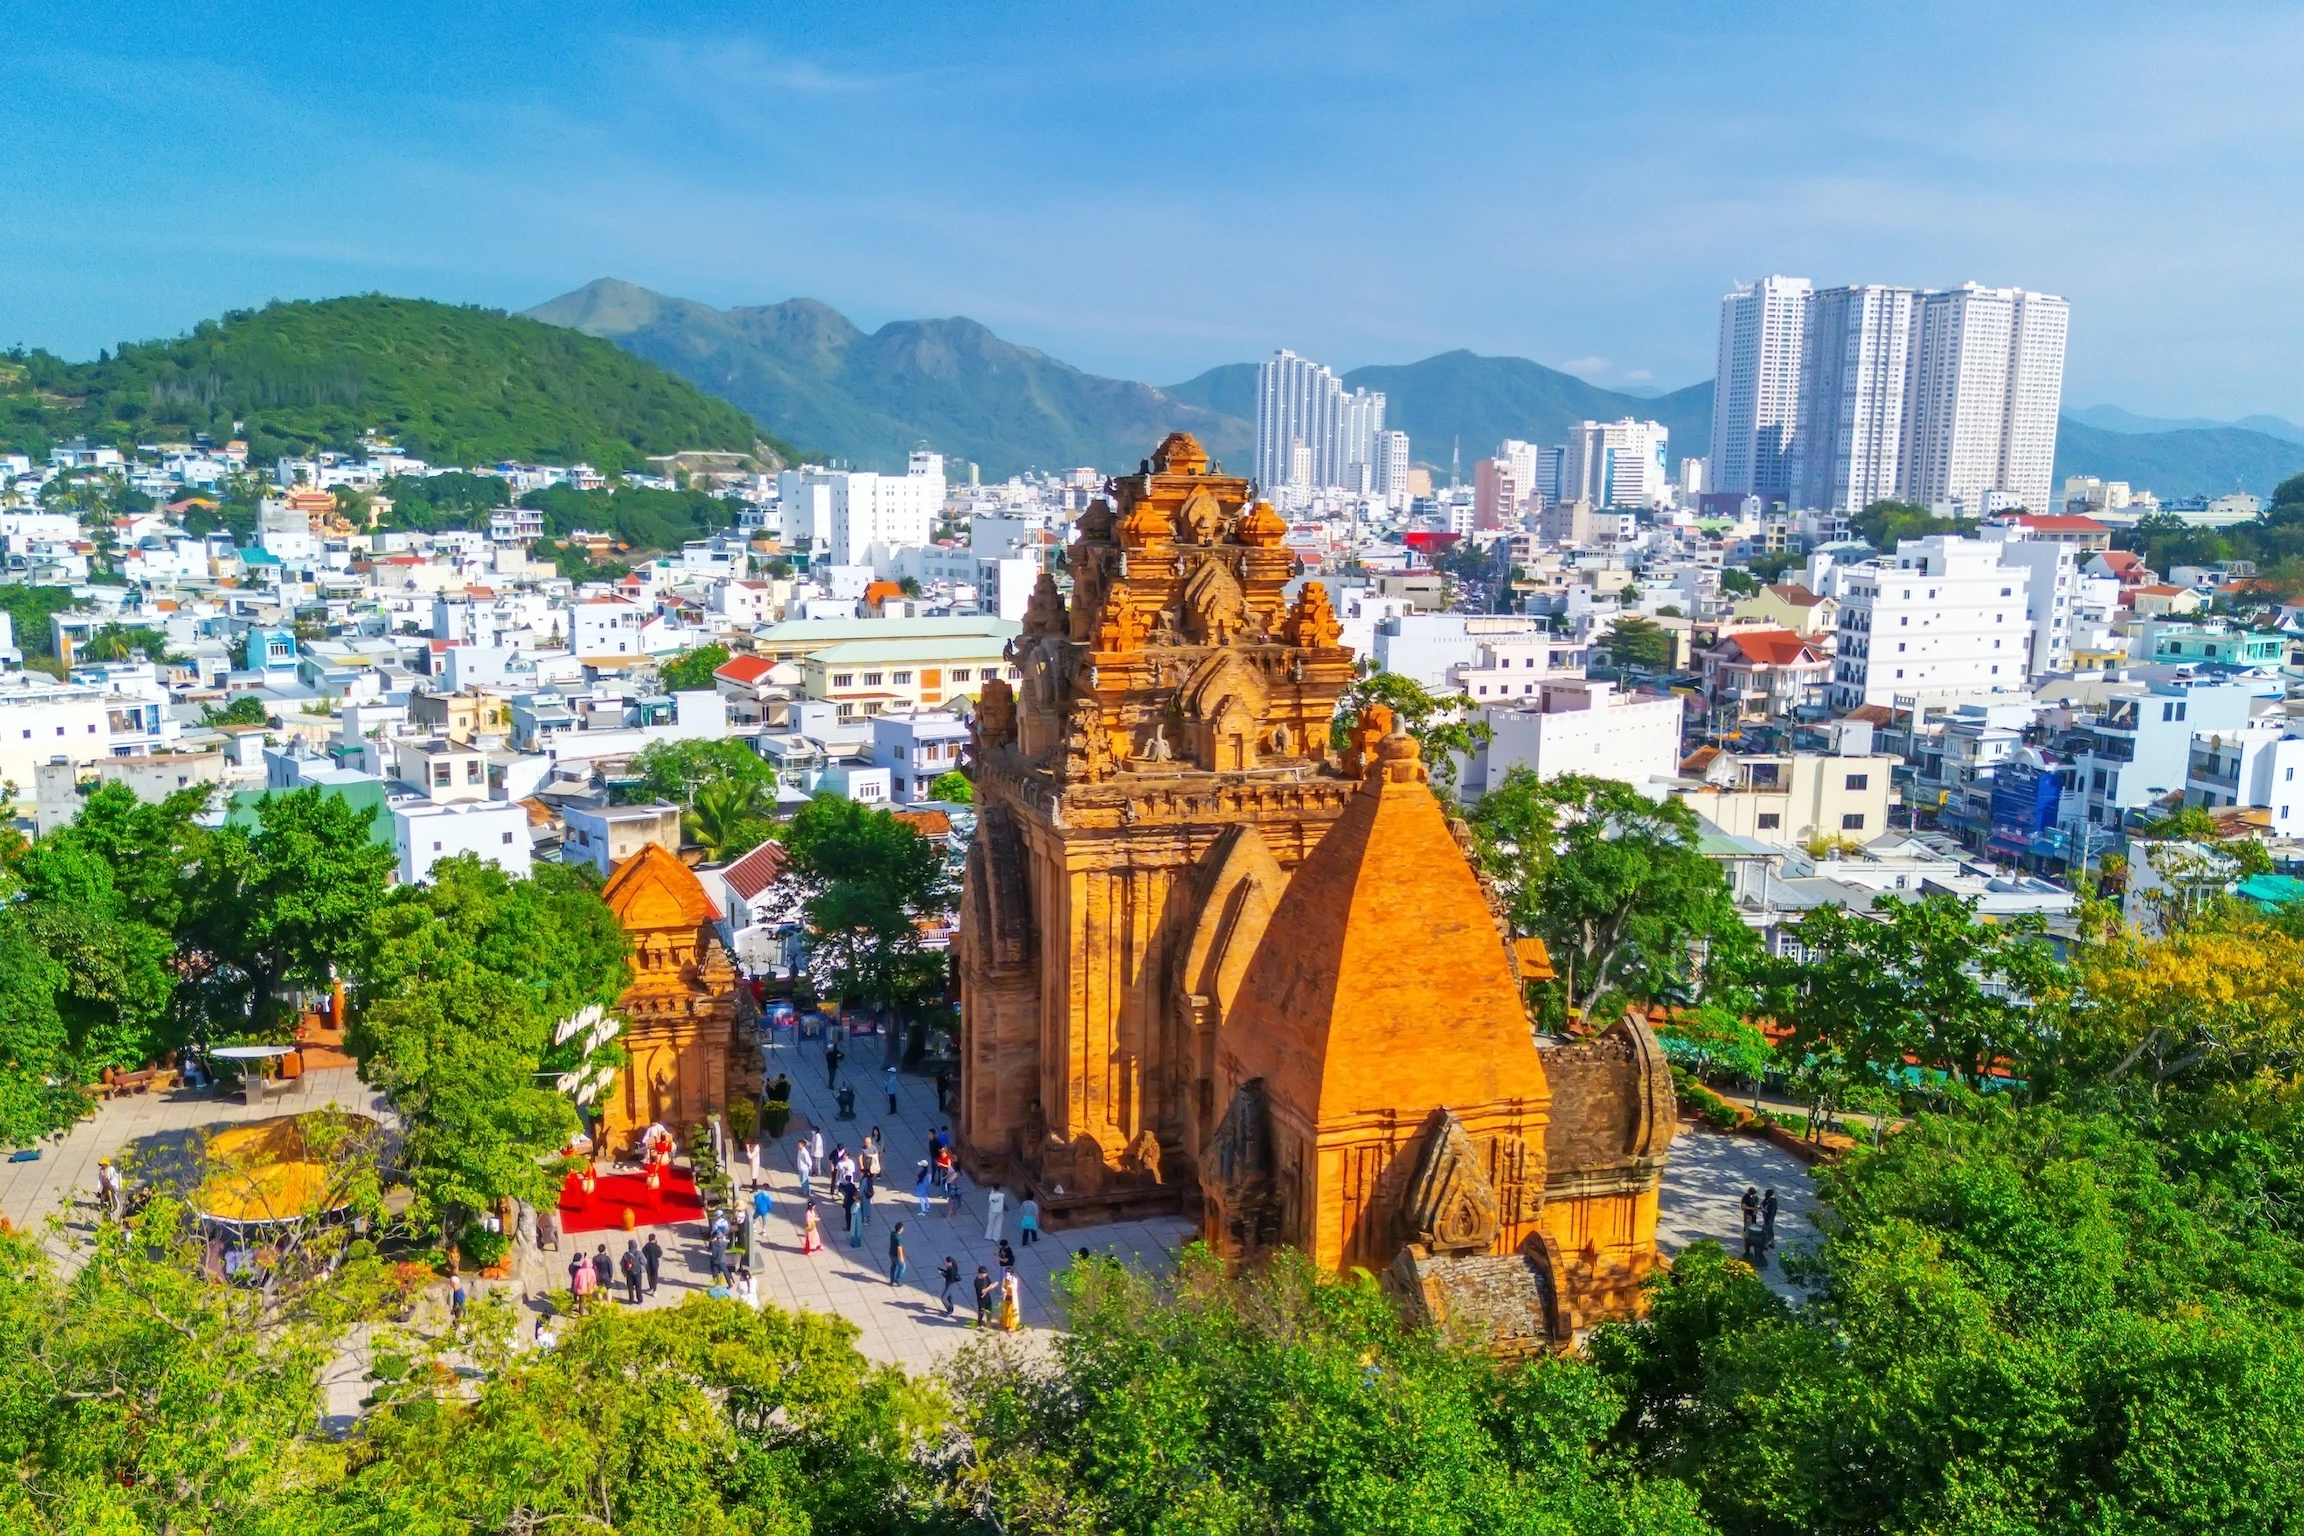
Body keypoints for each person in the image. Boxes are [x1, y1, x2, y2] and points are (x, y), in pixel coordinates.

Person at [620, 1240, 644, 1304]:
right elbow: (644, 1261)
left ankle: (631, 1300)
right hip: (637, 1272)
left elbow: (622, 1263)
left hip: (629, 1273)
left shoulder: (626, 1254)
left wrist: (624, 1272)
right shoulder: (639, 1253)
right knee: (638, 1287)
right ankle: (640, 1300)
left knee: (630, 1287)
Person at [888, 1221, 908, 1285]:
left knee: (893, 1266)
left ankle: (892, 1280)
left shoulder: (893, 1234)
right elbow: (899, 1248)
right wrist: (901, 1257)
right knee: (903, 1266)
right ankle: (898, 1279)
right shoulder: (899, 1238)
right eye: (902, 1228)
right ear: (900, 1229)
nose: (903, 1229)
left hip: (891, 1253)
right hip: (896, 1255)